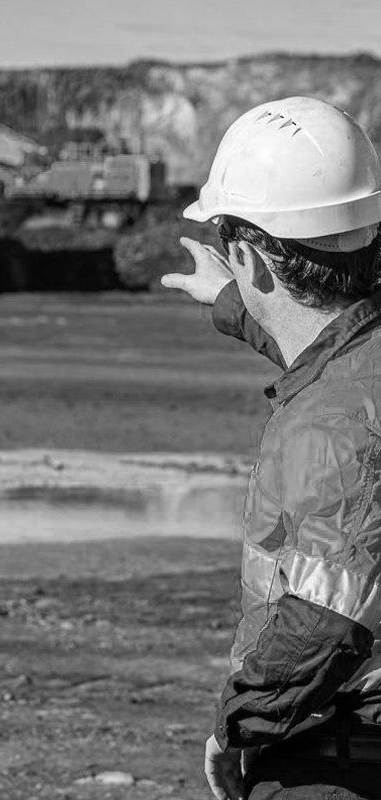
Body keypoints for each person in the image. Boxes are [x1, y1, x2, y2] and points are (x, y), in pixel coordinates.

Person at [163, 96, 381, 800]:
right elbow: (327, 347)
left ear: (251, 257)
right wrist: (233, 302)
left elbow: (322, 624)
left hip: (340, 754)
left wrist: (237, 727)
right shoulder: (360, 368)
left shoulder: (333, 424)